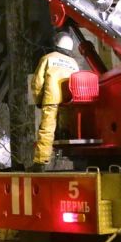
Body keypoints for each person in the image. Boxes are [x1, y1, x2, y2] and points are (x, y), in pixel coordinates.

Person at [30, 31, 80, 169]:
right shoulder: (74, 63)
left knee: (47, 129)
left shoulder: (48, 58)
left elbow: (37, 82)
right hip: (70, 102)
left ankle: (40, 162)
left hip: (51, 98)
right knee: (65, 131)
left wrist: (38, 99)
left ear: (56, 43)